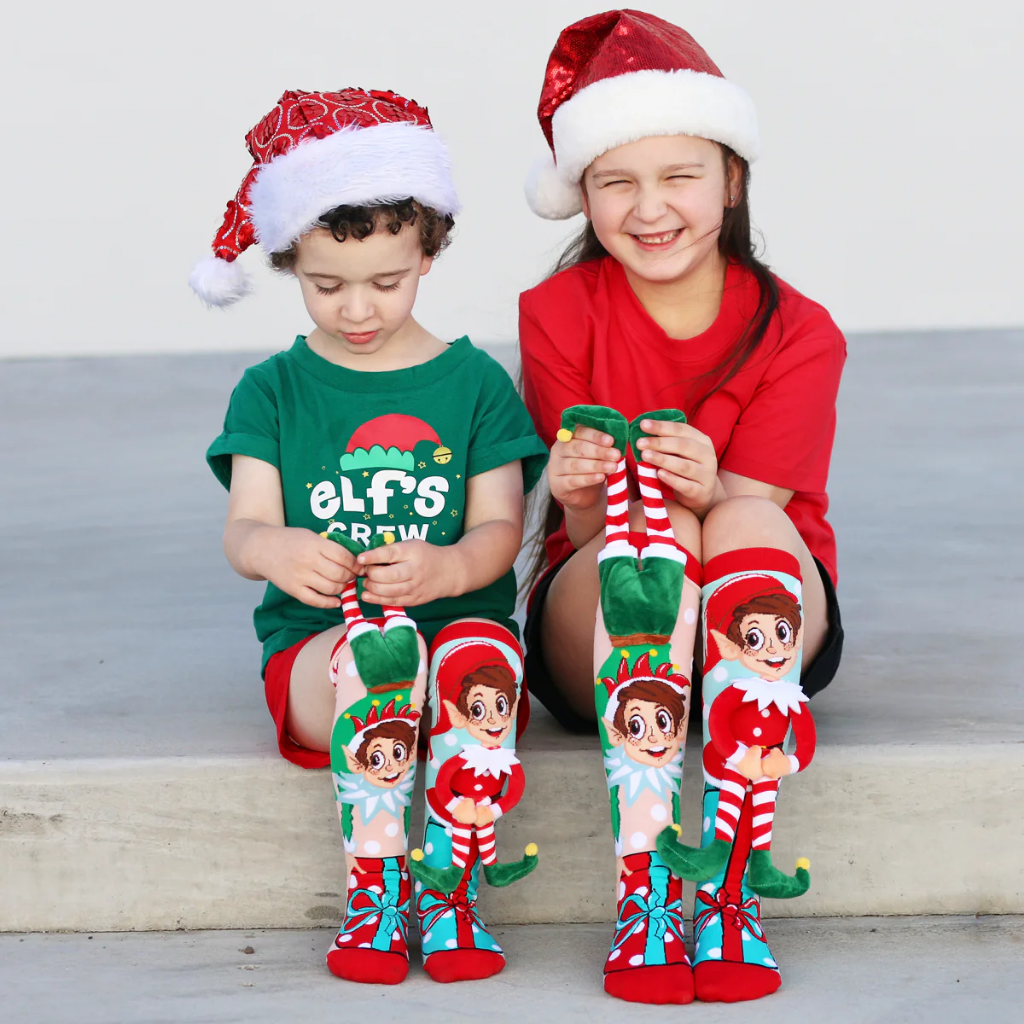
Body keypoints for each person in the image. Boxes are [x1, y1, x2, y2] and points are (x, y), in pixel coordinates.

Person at [518, 10, 846, 1005]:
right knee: (647, 537)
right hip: (609, 620)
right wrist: (580, 493)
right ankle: (648, 890)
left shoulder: (801, 332)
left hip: (757, 625)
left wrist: (713, 485)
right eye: (616, 181)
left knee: (734, 523)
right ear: (583, 195)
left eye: (681, 176)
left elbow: (752, 515)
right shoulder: (555, 312)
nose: (650, 208)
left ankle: (737, 887)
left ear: (732, 181)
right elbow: (589, 540)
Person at [194, 88, 547, 986]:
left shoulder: (474, 383)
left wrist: (451, 566)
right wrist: (275, 550)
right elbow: (244, 530)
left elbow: (502, 527)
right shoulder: (273, 390)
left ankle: (453, 887)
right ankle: (377, 888)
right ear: (290, 262)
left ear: (428, 251)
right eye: (327, 286)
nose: (357, 309)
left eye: (386, 282)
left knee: (476, 658)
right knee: (378, 654)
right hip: (324, 659)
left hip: (462, 671)